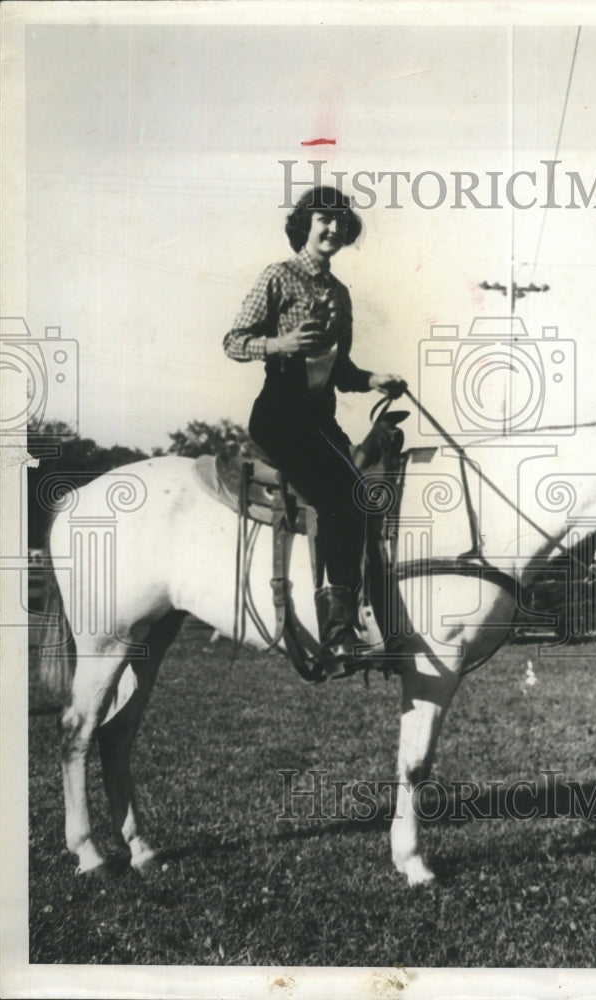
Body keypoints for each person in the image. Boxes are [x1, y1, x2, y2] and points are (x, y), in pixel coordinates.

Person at [223, 186, 405, 678]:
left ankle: (380, 625)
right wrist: (280, 342)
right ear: (305, 224)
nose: (332, 229)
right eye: (324, 219)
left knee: (365, 499)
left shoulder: (340, 293)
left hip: (321, 422)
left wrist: (372, 380)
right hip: (280, 418)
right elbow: (233, 342)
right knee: (342, 496)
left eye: (341, 223)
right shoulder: (277, 276)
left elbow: (339, 368)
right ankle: (337, 635)